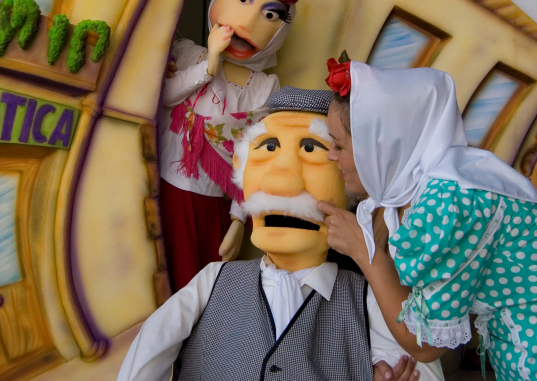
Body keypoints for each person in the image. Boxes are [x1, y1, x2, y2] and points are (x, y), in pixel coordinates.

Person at [318, 59, 537, 380]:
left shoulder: (450, 202)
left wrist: (363, 251)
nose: (331, 156)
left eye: (339, 145)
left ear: (379, 146)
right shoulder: (450, 183)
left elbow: (425, 343)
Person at [119, 87, 443, 381]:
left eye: (312, 149)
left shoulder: (368, 299)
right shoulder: (213, 282)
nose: (281, 182)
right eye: (268, 147)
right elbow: (148, 353)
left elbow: (421, 366)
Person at [160, 0, 304, 291]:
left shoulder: (265, 87)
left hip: (214, 204)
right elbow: (162, 97)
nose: (247, 23)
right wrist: (209, 64)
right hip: (163, 187)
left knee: (199, 290)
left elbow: (255, 156)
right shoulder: (187, 53)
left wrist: (239, 220)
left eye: (270, 15)